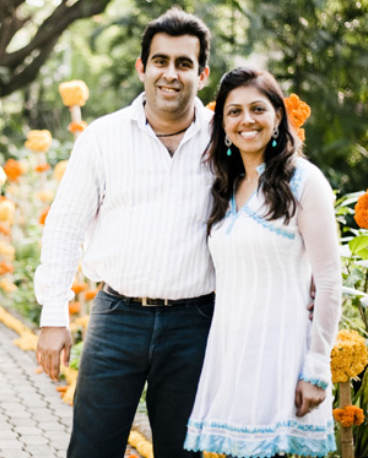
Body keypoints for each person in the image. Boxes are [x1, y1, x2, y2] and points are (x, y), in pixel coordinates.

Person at [35, 8, 215, 458]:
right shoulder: (102, 137)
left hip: (195, 325)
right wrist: (53, 316)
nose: (170, 74)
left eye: (183, 63)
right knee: (92, 449)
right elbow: (64, 225)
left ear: (203, 73)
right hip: (117, 319)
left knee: (184, 452)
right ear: (142, 67)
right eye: (160, 61)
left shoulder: (224, 142)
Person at [184, 67, 341, 458]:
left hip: (283, 357)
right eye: (233, 112)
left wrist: (317, 369)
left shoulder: (304, 182)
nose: (246, 120)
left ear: (277, 118)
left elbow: (329, 281)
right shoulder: (223, 187)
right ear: (222, 125)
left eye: (257, 108)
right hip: (231, 354)